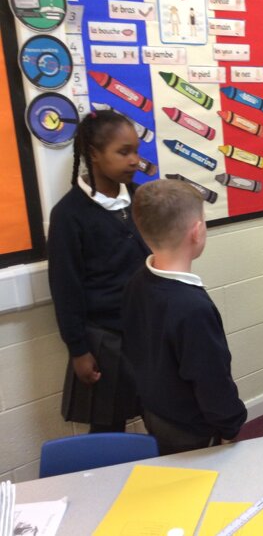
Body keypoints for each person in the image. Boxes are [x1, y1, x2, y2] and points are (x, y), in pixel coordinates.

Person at [122, 179, 248, 455]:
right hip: (192, 430)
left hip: (155, 413)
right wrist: (230, 427)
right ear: (197, 232)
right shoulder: (193, 308)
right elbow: (212, 380)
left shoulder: (137, 281)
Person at [48, 110, 148, 433]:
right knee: (108, 426)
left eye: (136, 151)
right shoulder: (69, 214)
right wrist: (78, 349)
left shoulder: (141, 198)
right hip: (105, 338)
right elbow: (65, 288)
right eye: (123, 152)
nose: (134, 160)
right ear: (94, 154)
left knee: (163, 415)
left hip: (148, 328)